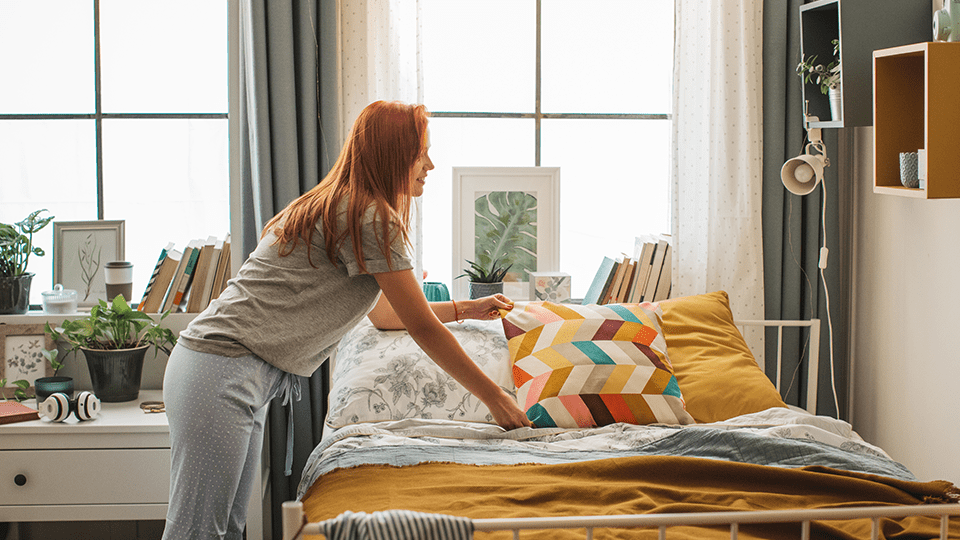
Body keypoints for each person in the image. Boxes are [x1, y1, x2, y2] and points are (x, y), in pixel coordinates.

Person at [160, 100, 531, 540]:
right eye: (421, 153)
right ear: (393, 154)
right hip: (220, 372)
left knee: (225, 529)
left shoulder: (351, 208)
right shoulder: (369, 217)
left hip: (225, 372)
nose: (430, 164)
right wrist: (498, 399)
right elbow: (420, 328)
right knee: (198, 531)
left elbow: (388, 316)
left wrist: (465, 309)